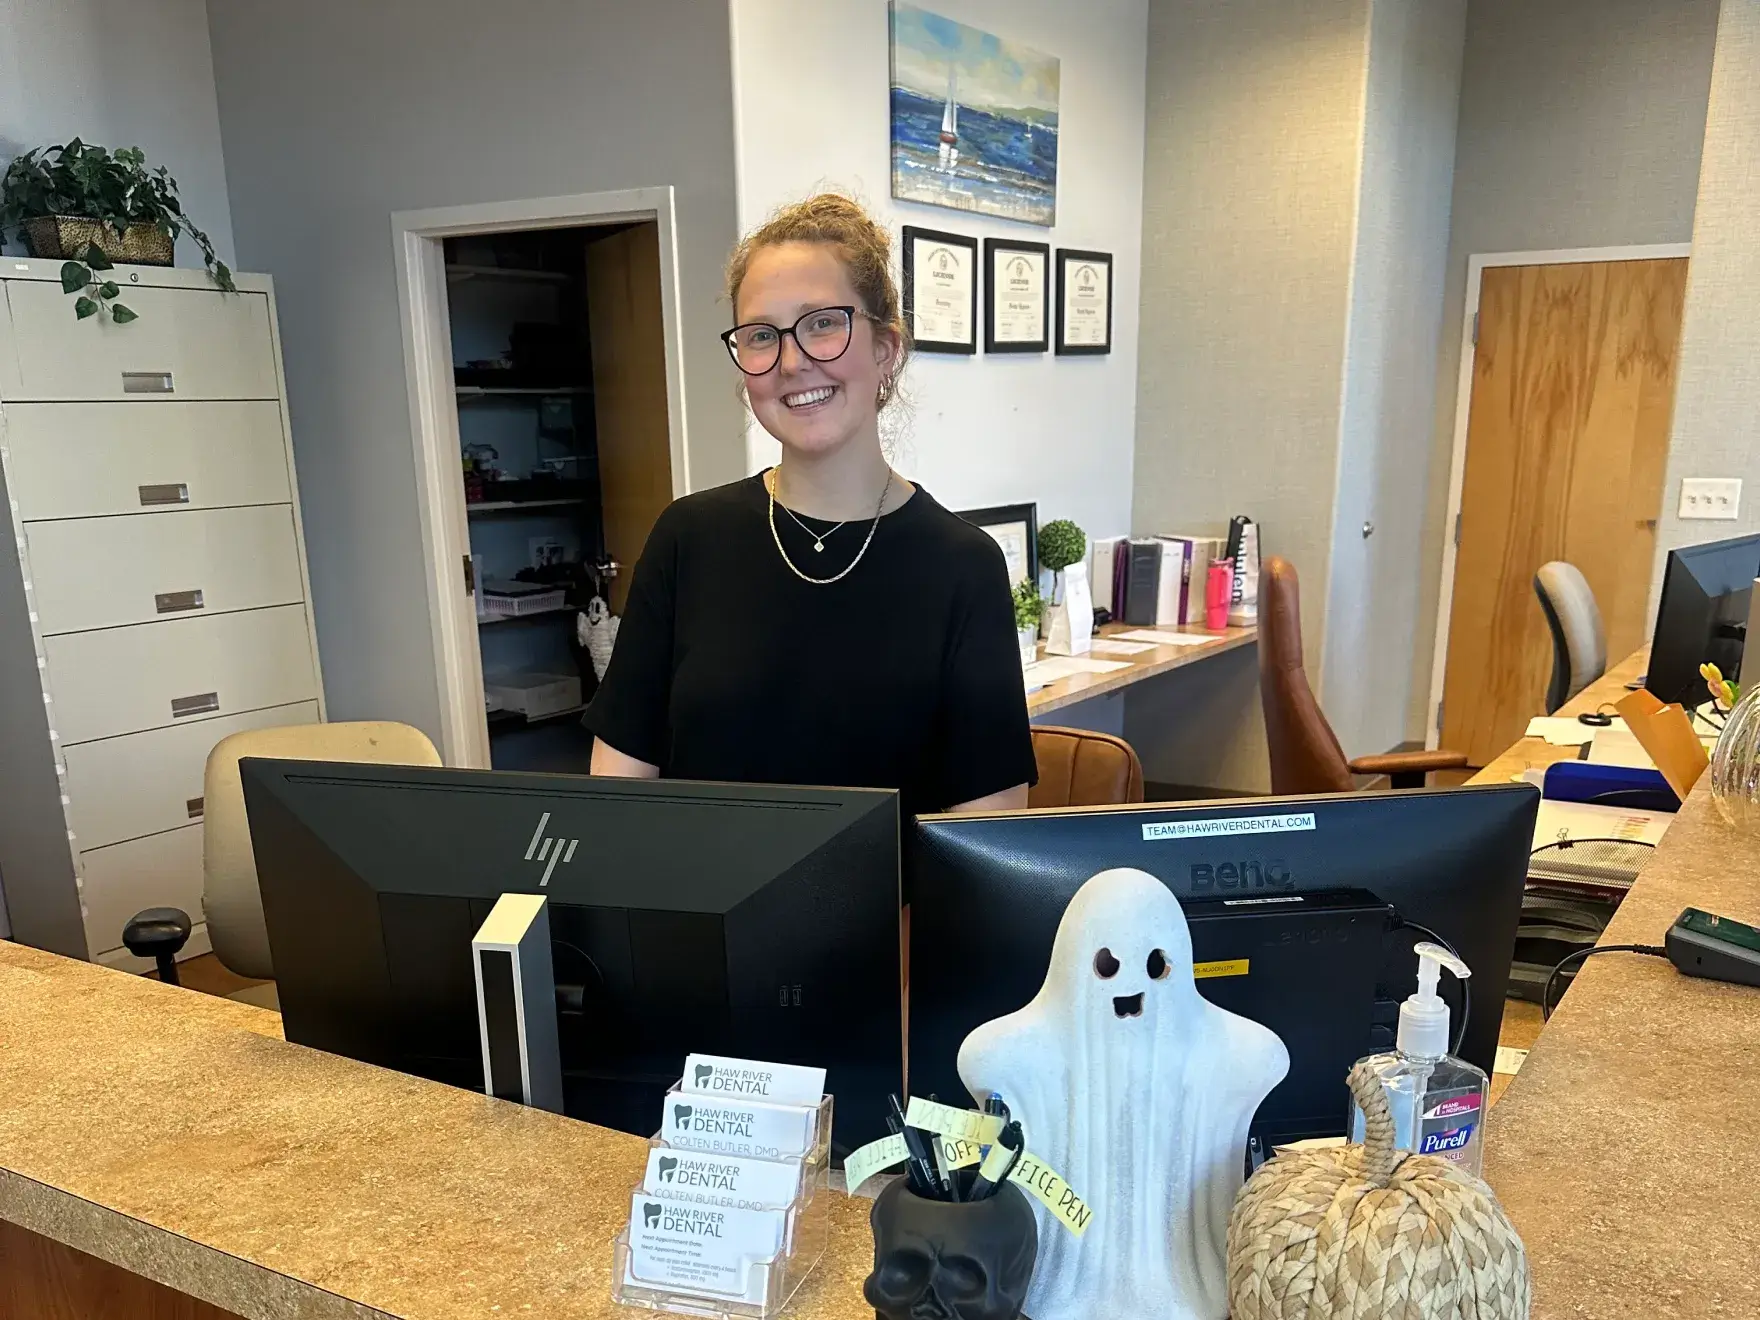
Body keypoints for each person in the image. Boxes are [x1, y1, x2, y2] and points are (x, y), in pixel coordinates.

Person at [585, 193, 1035, 818]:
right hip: (699, 912)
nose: (791, 362)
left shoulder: (963, 567)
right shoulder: (689, 538)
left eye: (823, 322)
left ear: (886, 347)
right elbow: (619, 783)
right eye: (761, 335)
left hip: (890, 918)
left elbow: (987, 828)